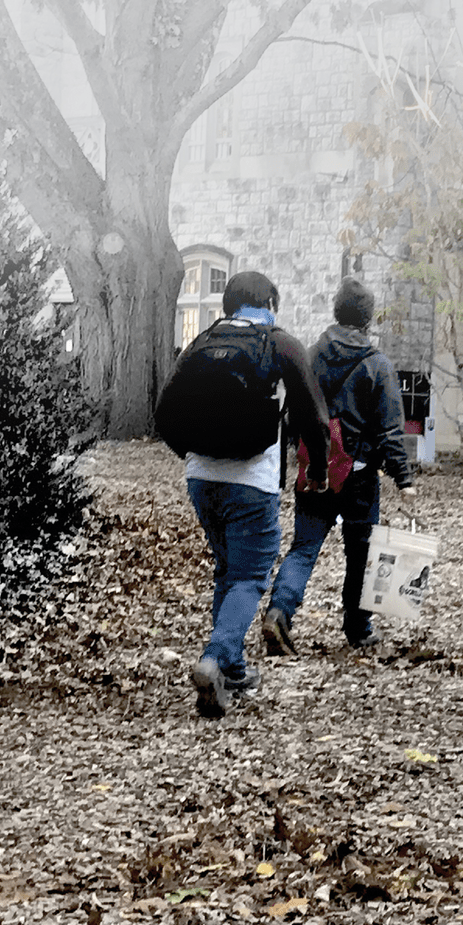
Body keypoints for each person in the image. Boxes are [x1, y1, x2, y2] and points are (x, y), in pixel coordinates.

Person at [154, 266, 330, 720]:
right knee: (250, 576)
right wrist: (320, 470)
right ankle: (215, 656)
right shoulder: (280, 343)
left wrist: (190, 455)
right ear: (270, 304)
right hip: (252, 480)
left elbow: (164, 409)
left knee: (228, 569)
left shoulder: (201, 343)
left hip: (201, 479)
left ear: (227, 306)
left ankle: (232, 667)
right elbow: (313, 415)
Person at [260, 277, 418, 654]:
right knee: (360, 552)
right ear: (368, 318)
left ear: (335, 311)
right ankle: (358, 627)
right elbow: (390, 427)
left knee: (304, 548)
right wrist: (403, 477)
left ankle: (280, 611)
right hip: (360, 475)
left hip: (316, 467)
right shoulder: (377, 364)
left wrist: (302, 452)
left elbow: (293, 412)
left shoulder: (311, 354)